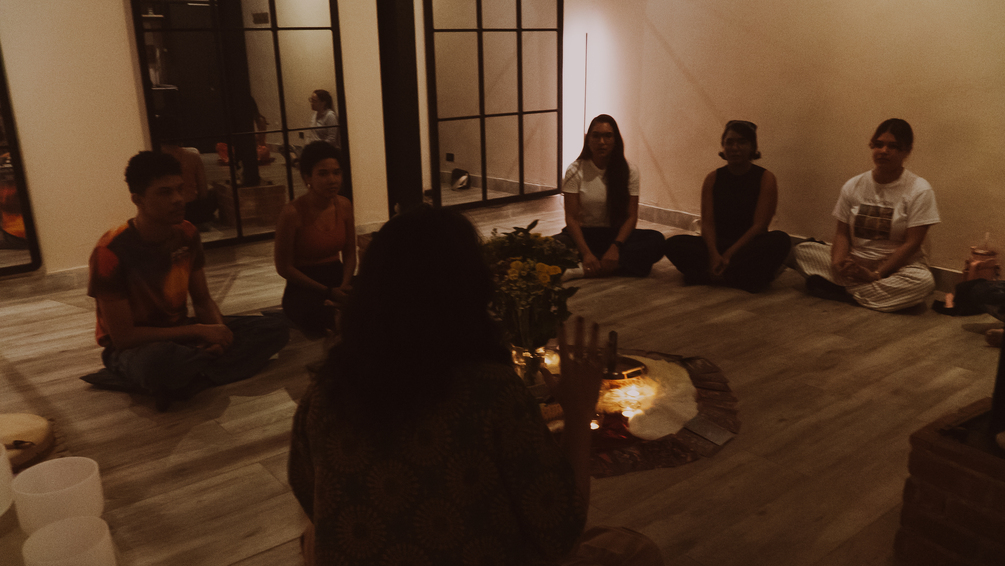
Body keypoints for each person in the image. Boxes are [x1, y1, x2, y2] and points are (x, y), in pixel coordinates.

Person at [287, 206, 664, 566]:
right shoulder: (490, 393)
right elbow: (559, 536)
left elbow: (312, 500)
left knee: (311, 538)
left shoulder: (323, 395)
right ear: (470, 287)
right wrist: (579, 413)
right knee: (634, 550)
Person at [87, 152, 290, 410]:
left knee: (275, 328)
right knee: (157, 363)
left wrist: (217, 334)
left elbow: (202, 299)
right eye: (165, 192)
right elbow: (124, 337)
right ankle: (188, 372)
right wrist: (198, 332)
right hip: (136, 347)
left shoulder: (187, 233)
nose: (178, 199)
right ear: (138, 199)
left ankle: (189, 375)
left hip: (181, 333)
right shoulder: (110, 251)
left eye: (180, 189)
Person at [793, 118, 940, 311]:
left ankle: (844, 292)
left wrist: (876, 274)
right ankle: (874, 295)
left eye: (893, 146)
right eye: (878, 144)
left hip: (897, 267)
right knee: (802, 251)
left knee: (923, 282)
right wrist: (839, 264)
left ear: (906, 151)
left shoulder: (920, 189)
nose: (884, 151)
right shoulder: (853, 185)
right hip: (856, 261)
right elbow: (842, 234)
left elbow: (912, 243)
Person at [663, 121, 790, 292]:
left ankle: (709, 275)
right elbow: (707, 223)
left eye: (742, 142)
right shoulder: (713, 178)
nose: (735, 148)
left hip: (747, 246)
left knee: (780, 240)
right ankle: (741, 278)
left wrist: (729, 254)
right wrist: (714, 254)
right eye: (729, 142)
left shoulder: (766, 178)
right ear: (723, 146)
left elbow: (759, 226)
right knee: (673, 244)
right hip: (718, 244)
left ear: (752, 147)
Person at [556, 114, 665, 278]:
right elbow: (571, 218)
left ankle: (583, 269)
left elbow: (631, 217)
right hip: (585, 235)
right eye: (596, 136)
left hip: (615, 236)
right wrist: (586, 253)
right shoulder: (575, 170)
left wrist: (615, 247)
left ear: (615, 140)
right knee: (549, 246)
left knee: (656, 240)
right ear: (588, 140)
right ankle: (611, 265)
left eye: (607, 136)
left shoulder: (629, 171)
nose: (602, 142)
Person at [274, 141, 355, 337]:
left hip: (337, 277)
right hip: (304, 285)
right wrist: (328, 292)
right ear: (307, 177)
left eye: (337, 173)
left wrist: (344, 285)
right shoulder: (292, 213)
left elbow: (350, 253)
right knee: (316, 314)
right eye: (323, 174)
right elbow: (284, 267)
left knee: (379, 293)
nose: (332, 180)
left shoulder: (344, 205)